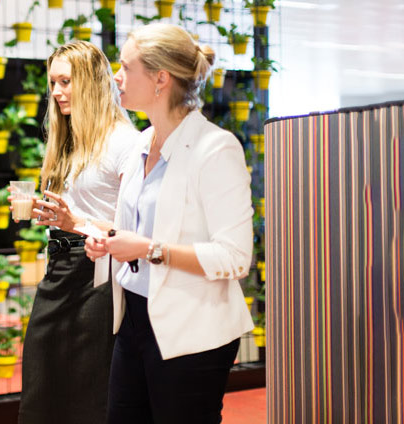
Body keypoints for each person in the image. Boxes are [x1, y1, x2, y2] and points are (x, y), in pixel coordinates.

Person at [84, 23, 255, 423]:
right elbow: (136, 229)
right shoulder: (141, 144)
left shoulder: (215, 148)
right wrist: (108, 243)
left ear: (160, 78)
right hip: (135, 318)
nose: (116, 77)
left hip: (192, 327)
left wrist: (148, 250)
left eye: (125, 67)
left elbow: (234, 257)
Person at [17, 41, 139, 424]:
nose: (55, 92)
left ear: (89, 82)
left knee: (87, 389)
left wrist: (76, 224)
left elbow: (135, 230)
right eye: (53, 82)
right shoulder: (67, 139)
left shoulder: (124, 141)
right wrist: (50, 214)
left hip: (98, 275)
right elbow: (76, 212)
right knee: (42, 383)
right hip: (60, 267)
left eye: (65, 81)